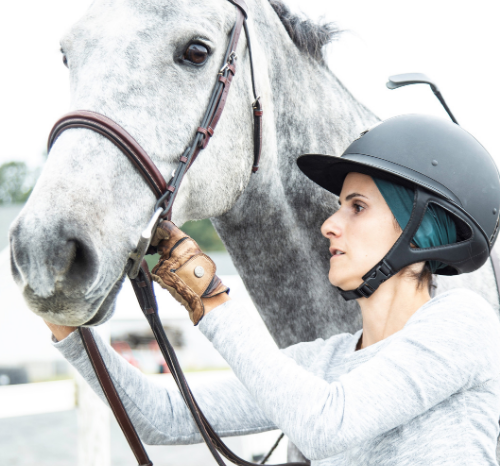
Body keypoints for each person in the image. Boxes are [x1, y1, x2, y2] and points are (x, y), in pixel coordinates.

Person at [47, 114, 500, 465]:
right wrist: (64, 321)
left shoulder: (463, 321)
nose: (329, 225)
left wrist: (210, 298)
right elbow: (162, 417)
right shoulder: (323, 364)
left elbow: (329, 424)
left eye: (357, 207)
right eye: (338, 207)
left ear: (421, 231)